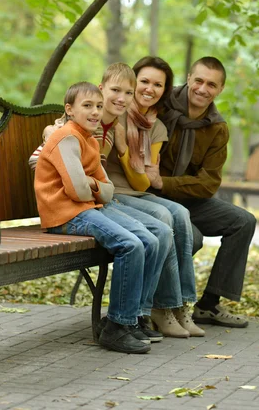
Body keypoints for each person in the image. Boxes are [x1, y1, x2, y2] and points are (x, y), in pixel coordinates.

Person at [30, 63, 201, 338]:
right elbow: (47, 160)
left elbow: (113, 180)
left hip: (93, 200)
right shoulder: (77, 127)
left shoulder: (109, 128)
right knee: (150, 233)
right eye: (114, 91)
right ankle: (134, 316)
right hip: (74, 205)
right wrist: (80, 175)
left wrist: (114, 156)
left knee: (168, 223)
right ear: (101, 90)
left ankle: (159, 310)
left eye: (127, 93)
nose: (119, 99)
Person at [147, 56, 256, 328]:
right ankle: (156, 304)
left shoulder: (217, 127)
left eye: (211, 84)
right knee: (191, 238)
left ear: (220, 89)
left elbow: (208, 184)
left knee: (243, 221)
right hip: (150, 197)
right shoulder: (162, 103)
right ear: (188, 78)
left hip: (188, 200)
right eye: (199, 80)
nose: (202, 89)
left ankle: (208, 305)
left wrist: (165, 182)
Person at [106, 57, 204, 337]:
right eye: (144, 81)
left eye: (158, 84)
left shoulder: (156, 128)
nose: (150, 89)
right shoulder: (115, 111)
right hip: (113, 194)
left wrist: (124, 150)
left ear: (165, 90)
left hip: (136, 193)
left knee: (180, 213)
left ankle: (180, 305)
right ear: (132, 83)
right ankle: (163, 307)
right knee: (163, 216)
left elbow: (143, 180)